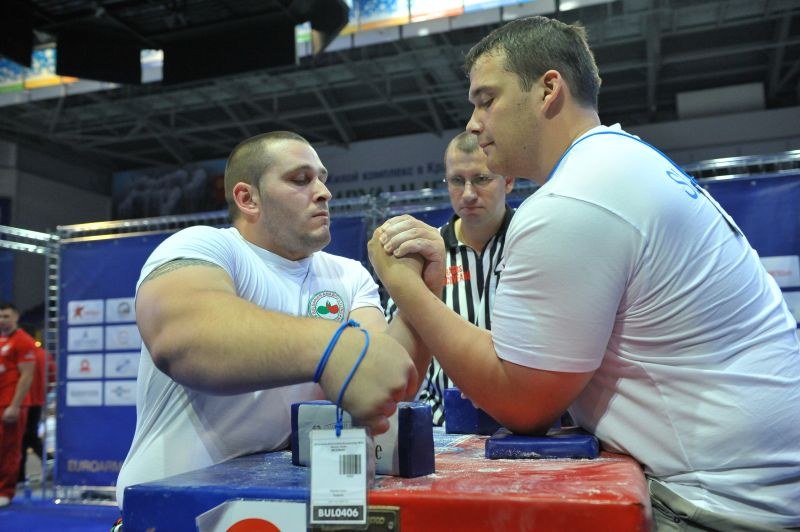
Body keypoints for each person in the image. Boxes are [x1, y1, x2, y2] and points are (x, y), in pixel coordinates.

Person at [368, 15, 800, 531]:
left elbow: (523, 404)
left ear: (549, 89)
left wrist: (405, 287)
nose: (473, 123)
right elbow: (538, 363)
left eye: (486, 99)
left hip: (722, 503)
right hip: (756, 485)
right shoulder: (625, 161)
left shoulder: (574, 198)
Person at [115, 131, 432, 510]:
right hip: (167, 506)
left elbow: (380, 380)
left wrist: (421, 286)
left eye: (322, 179)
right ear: (248, 199)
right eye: (301, 180)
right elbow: (182, 340)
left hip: (272, 501)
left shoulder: (347, 275)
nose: (323, 192)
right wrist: (333, 348)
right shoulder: (203, 247)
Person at [386, 131, 514, 425]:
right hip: (442, 432)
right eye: (457, 181)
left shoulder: (533, 243)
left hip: (528, 425)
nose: (468, 193)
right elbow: (398, 356)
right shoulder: (423, 254)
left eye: (481, 179)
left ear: (508, 180)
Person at [0, 302, 37, 508]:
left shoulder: (23, 341)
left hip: (12, 404)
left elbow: (27, 376)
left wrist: (15, 405)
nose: (2, 320)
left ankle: (6, 490)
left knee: (9, 449)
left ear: (16, 317)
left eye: (6, 316)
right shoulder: (1, 339)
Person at [18, 344, 55, 485]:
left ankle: (20, 476)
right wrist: (43, 392)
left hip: (18, 401)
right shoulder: (44, 354)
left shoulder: (17, 351)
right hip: (37, 401)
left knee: (22, 438)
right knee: (29, 436)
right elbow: (53, 376)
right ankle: (50, 460)